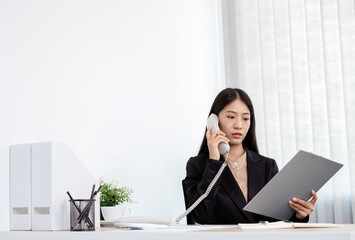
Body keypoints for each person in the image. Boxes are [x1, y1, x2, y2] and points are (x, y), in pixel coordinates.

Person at [183, 88, 317, 224]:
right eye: (231, 117)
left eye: (246, 118)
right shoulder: (198, 165)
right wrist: (214, 161)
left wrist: (299, 215)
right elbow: (201, 215)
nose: (239, 125)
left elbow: (275, 219)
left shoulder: (267, 166)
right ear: (214, 121)